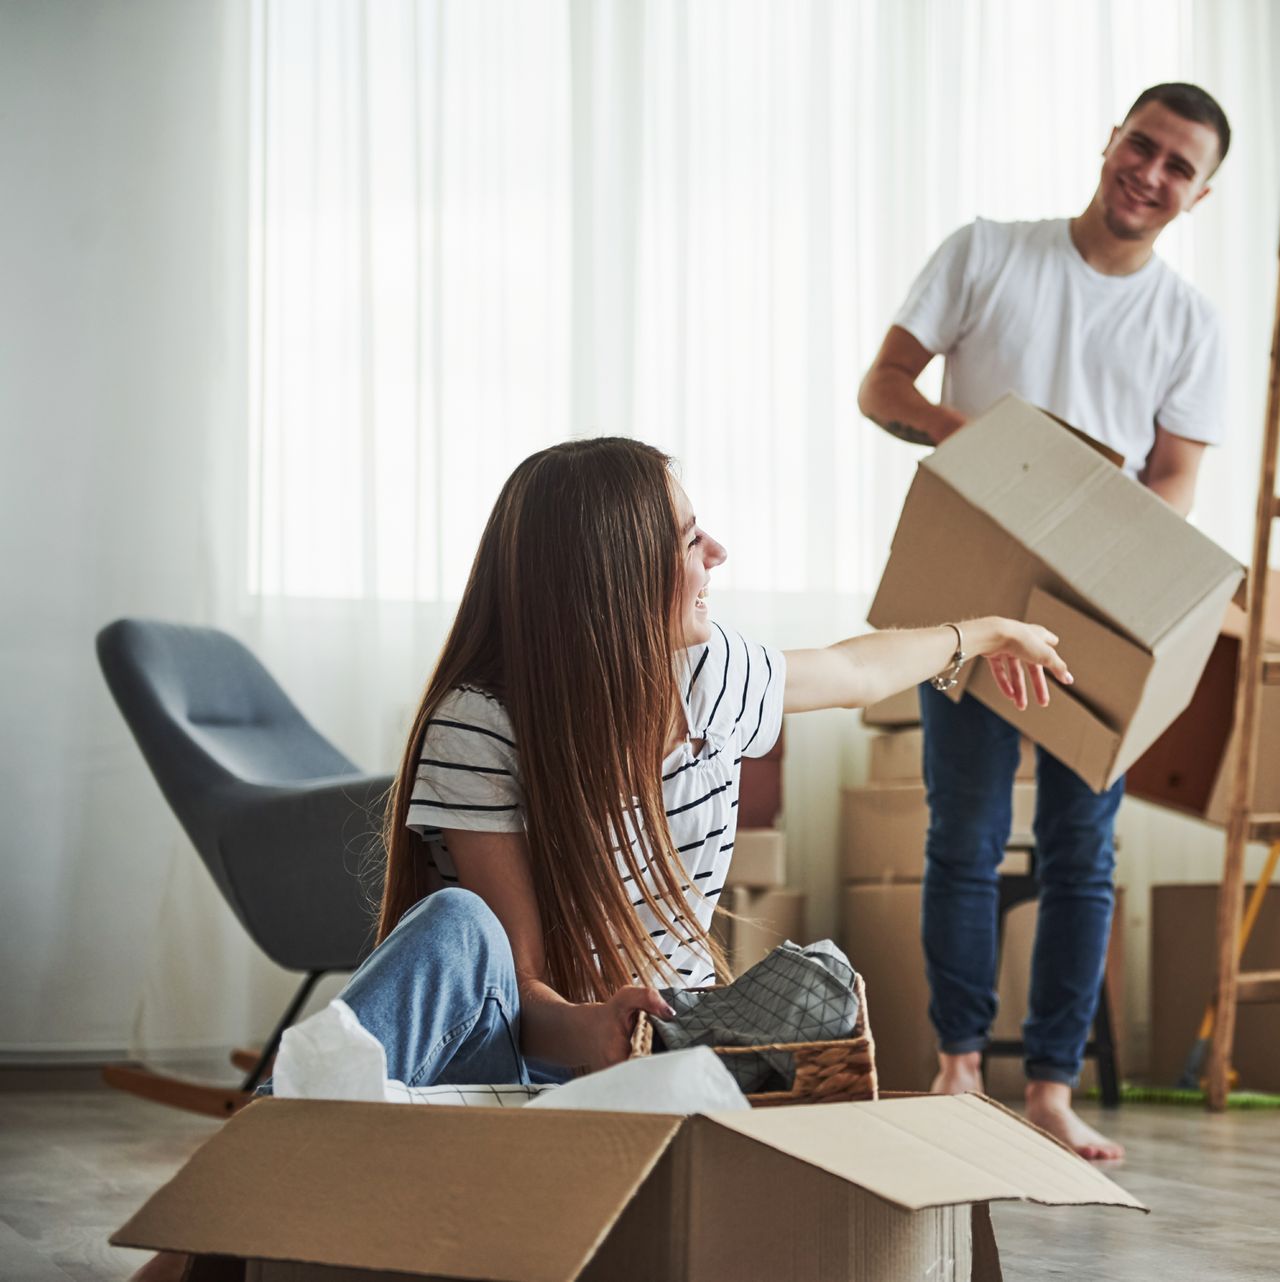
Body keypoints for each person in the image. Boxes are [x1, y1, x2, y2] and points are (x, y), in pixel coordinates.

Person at [129, 436, 1069, 1282]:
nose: (718, 557)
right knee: (457, 925)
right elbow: (520, 983)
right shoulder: (484, 722)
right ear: (616, 573)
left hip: (668, 1062)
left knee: (819, 982)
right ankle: (220, 1217)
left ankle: (253, 1199)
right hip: (535, 1053)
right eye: (691, 541)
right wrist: (593, 1029)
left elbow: (854, 668)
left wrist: (983, 635)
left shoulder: (710, 676)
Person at [856, 83, 1232, 1161]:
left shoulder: (1188, 323)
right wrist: (986, 447)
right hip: (969, 590)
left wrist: (1104, 552)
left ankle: (1052, 1093)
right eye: (1142, 146)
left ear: (1200, 196)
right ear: (1111, 138)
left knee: (1083, 850)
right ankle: (960, 1067)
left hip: (1096, 615)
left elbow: (1175, 477)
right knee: (961, 838)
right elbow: (882, 385)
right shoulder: (987, 253)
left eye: (1177, 168)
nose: (1149, 175)